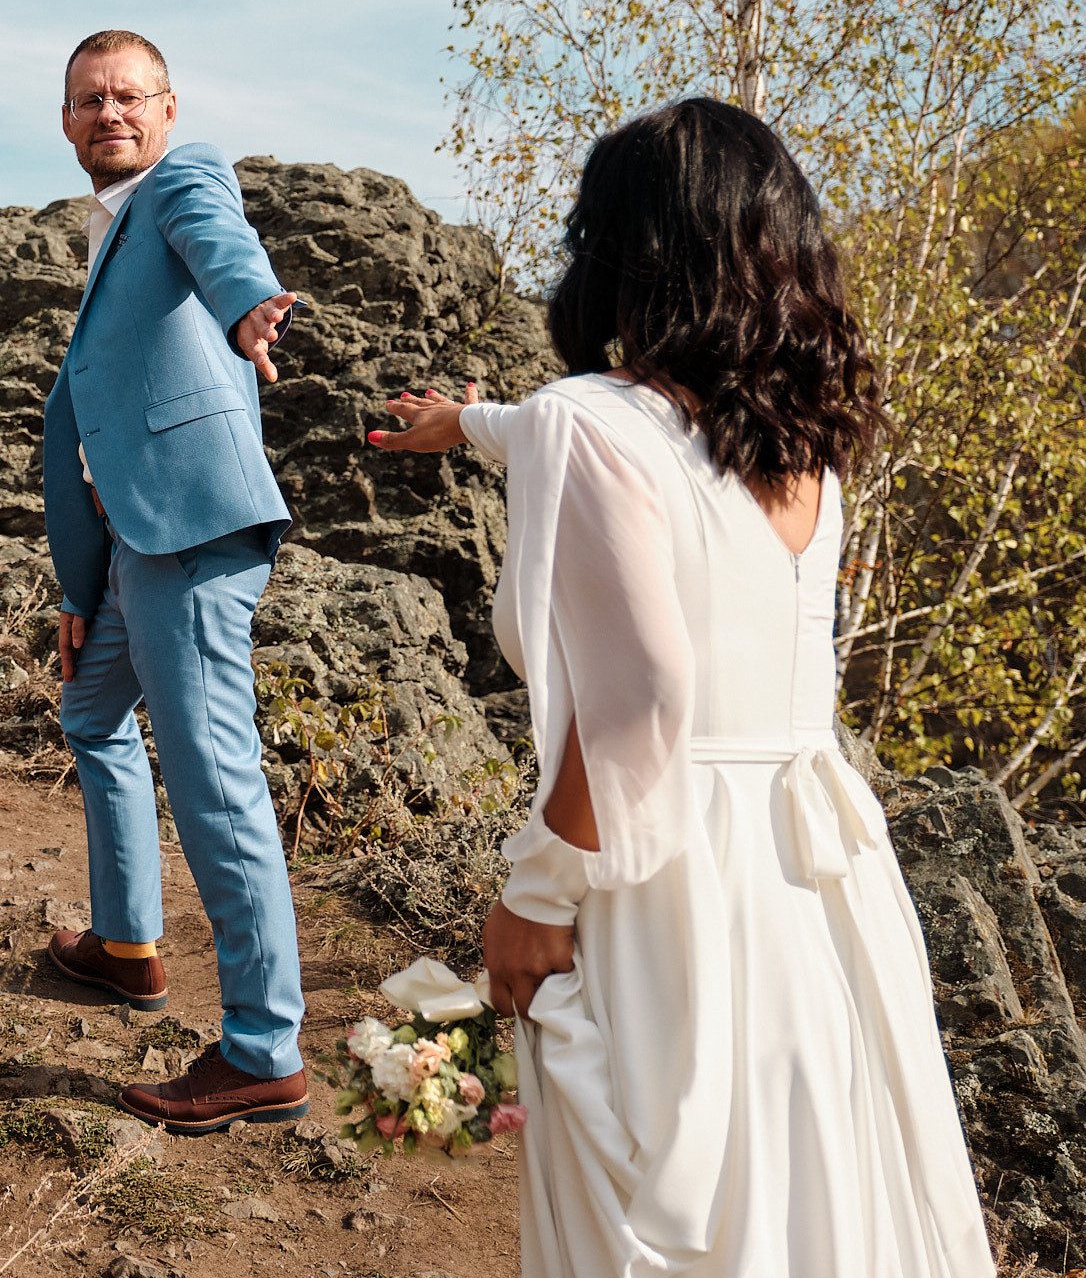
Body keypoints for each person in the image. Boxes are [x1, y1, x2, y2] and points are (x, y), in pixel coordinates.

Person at [375, 97, 993, 1275]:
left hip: (669, 878)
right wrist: (468, 424)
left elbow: (641, 699)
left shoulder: (591, 422)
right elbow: (605, 450)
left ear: (627, 250)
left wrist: (539, 893)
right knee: (814, 1183)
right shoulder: (802, 447)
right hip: (817, 875)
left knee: (660, 1204)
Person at [39, 29, 309, 1135]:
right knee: (93, 712)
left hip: (191, 535)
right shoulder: (108, 236)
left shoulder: (184, 180)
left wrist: (251, 302)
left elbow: (221, 240)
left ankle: (262, 1047)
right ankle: (127, 944)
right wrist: (76, 585)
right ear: (65, 123)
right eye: (89, 99)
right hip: (128, 549)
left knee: (215, 778)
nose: (111, 112)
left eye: (130, 96)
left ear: (167, 108)